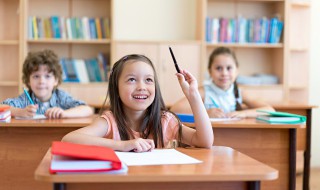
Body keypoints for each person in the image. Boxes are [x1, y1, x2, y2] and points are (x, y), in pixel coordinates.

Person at [62, 54, 213, 152]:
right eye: (132, 80)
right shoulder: (110, 121)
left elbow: (204, 141)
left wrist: (193, 95)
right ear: (116, 87)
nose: (142, 87)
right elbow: (68, 140)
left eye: (148, 80)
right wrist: (122, 145)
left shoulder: (165, 120)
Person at [170, 47, 274, 118]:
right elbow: (175, 109)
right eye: (218, 68)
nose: (224, 73)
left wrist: (244, 113)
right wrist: (205, 113)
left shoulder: (240, 93)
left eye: (229, 68)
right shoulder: (204, 91)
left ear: (237, 70)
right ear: (210, 71)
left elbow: (270, 110)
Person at [2, 49, 94, 119]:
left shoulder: (61, 97)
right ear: (28, 81)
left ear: (56, 80)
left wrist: (64, 113)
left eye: (47, 76)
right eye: (36, 76)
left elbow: (87, 109)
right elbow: (2, 108)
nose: (42, 81)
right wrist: (20, 112)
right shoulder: (24, 99)